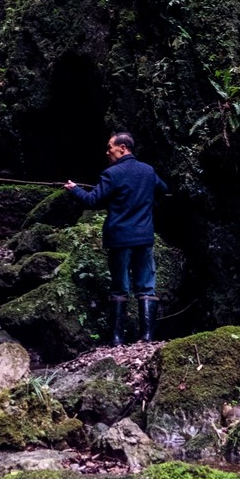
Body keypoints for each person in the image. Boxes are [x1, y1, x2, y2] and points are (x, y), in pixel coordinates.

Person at [65, 131, 168, 345]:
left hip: (120, 239)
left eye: (110, 147)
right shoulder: (147, 171)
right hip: (144, 238)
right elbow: (163, 190)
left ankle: (116, 339)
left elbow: (93, 201)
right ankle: (147, 338)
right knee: (146, 286)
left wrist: (74, 190)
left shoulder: (112, 174)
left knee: (120, 286)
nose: (107, 151)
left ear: (122, 148)